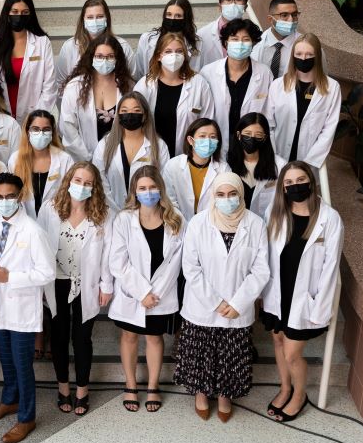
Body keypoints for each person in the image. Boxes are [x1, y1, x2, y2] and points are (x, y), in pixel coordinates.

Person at [175, 172, 269, 422]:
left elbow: (261, 270)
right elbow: (191, 268)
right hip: (203, 305)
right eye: (220, 194)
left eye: (232, 194)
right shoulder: (198, 222)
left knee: (231, 353)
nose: (227, 199)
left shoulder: (256, 224)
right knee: (201, 352)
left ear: (241, 194)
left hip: (238, 307)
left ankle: (226, 395)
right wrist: (216, 302)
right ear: (213, 197)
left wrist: (238, 302)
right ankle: (202, 394)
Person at [262, 161, 343, 422]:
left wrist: (321, 306)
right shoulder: (275, 214)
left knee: (292, 352)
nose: (295, 187)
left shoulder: (329, 219)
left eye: (300, 181)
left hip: (305, 298)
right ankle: (285, 388)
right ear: (282, 188)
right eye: (289, 183)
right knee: (277, 341)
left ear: (311, 181)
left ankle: (299, 394)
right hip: (278, 293)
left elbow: (331, 268)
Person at [0, 173, 54, 443]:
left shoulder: (33, 231)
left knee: (22, 363)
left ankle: (27, 417)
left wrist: (13, 277)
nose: (4, 201)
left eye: (10, 196)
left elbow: (47, 272)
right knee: (6, 357)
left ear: (20, 197)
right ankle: (9, 400)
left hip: (21, 303)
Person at [38, 162, 113, 416]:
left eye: (88, 183)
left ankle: (82, 389)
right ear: (69, 180)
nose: (82, 186)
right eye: (78, 180)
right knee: (58, 338)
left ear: (95, 187)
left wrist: (106, 284)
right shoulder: (50, 209)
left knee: (82, 339)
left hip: (86, 282)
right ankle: (63, 388)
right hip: (56, 280)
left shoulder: (103, 214)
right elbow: (38, 246)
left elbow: (107, 255)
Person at [109, 165, 185, 414]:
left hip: (161, 295)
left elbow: (176, 262)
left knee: (155, 338)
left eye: (152, 187)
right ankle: (130, 384)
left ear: (161, 189)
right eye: (142, 188)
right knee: (129, 337)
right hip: (133, 294)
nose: (148, 192)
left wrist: (155, 294)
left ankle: (153, 386)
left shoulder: (176, 219)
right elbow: (118, 262)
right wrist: (142, 292)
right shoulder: (123, 219)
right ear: (134, 192)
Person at [0, 0, 55, 121]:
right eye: (15, 12)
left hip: (33, 118)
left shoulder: (42, 43)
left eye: (25, 12)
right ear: (7, 13)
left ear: (31, 15)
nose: (19, 16)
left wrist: (36, 119)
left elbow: (49, 86)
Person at [132, 32, 214, 157]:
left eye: (179, 51)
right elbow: (136, 119)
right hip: (151, 153)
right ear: (159, 56)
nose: (174, 56)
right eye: (168, 51)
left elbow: (208, 120)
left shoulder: (199, 83)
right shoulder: (145, 84)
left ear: (185, 56)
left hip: (187, 155)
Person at [267, 33, 341, 168]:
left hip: (309, 159)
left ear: (317, 56)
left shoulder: (332, 87)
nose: (303, 58)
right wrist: (273, 157)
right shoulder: (278, 85)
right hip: (278, 156)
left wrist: (310, 162)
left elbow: (329, 129)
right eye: (299, 54)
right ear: (293, 56)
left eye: (309, 54)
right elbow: (269, 124)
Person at [59, 34, 136, 161]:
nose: (104, 61)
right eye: (99, 56)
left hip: (119, 159)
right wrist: (88, 158)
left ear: (118, 59)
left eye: (110, 56)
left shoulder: (129, 86)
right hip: (83, 160)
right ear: (91, 57)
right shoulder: (74, 87)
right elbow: (68, 128)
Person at [92, 92, 169, 209]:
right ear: (118, 115)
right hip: (111, 210)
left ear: (145, 115)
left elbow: (164, 181)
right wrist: (114, 209)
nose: (130, 115)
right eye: (124, 111)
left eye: (136, 111)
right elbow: (99, 179)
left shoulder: (159, 145)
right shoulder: (105, 144)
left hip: (148, 210)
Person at [199, 19, 273, 142]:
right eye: (234, 39)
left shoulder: (265, 73)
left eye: (246, 39)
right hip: (216, 139)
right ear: (226, 43)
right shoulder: (208, 72)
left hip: (251, 141)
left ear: (253, 43)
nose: (240, 44)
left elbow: (268, 112)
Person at [54, 0, 135, 93]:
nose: (95, 21)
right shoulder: (69, 47)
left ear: (107, 19)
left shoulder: (123, 46)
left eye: (100, 17)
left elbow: (132, 82)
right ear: (83, 20)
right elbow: (61, 84)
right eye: (90, 17)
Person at [9, 110, 75, 217]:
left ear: (52, 132)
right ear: (27, 131)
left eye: (46, 129)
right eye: (35, 129)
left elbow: (70, 196)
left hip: (56, 220)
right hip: (25, 223)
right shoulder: (15, 159)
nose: (41, 133)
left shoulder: (65, 160)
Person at [162, 118, 228, 220]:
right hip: (179, 224)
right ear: (190, 140)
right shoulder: (173, 165)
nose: (208, 141)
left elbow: (223, 202)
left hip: (210, 224)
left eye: (213, 137)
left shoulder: (224, 169)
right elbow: (169, 200)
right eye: (202, 136)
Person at [227, 112, 285, 219]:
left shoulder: (279, 165)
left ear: (265, 138)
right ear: (239, 135)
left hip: (266, 223)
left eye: (258, 135)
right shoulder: (227, 163)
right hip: (234, 222)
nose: (252, 139)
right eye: (247, 134)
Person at [133, 0, 202, 78]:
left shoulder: (197, 43)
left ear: (186, 19)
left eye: (178, 16)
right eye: (169, 14)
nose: (172, 19)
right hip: (152, 86)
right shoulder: (147, 38)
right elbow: (139, 70)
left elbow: (196, 70)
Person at [196, 0, 251, 67]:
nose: (233, 4)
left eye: (238, 0)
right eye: (228, 0)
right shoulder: (202, 35)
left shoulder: (253, 35)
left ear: (245, 6)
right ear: (220, 6)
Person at [252, 0, 302, 77]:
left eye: (294, 15)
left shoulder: (308, 45)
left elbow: (320, 80)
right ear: (270, 19)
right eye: (284, 15)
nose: (291, 20)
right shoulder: (254, 44)